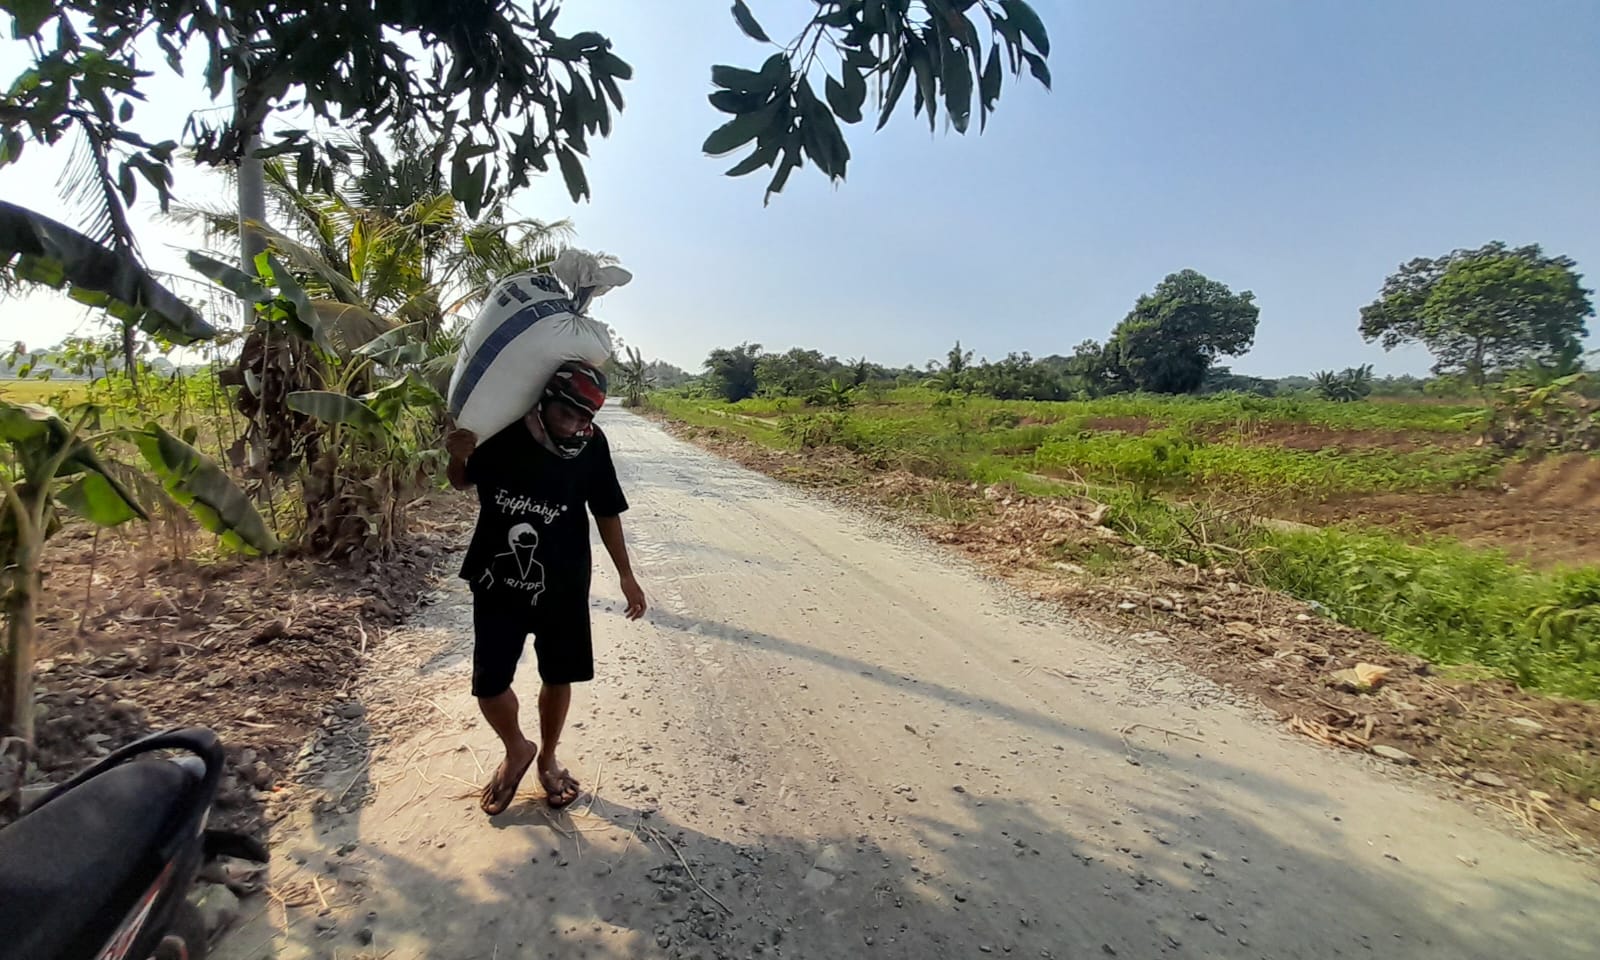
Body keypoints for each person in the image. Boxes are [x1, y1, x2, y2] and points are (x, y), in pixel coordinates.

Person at [445, 360, 647, 814]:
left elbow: (607, 511)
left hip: (564, 583)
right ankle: (518, 747)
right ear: (545, 401)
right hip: (496, 583)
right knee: (489, 684)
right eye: (567, 414)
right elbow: (462, 480)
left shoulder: (592, 447)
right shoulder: (503, 434)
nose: (575, 426)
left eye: (584, 418)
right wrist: (458, 454)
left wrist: (626, 575)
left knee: (559, 675)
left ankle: (548, 757)